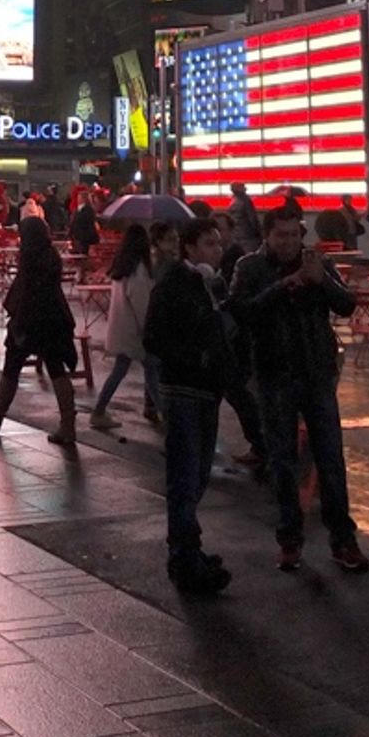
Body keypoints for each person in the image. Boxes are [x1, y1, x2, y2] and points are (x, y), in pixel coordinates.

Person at [230, 204, 369, 575]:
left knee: (330, 459)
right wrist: (283, 286)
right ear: (267, 236)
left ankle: (342, 538)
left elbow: (346, 305)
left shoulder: (316, 263)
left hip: (316, 372)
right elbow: (241, 312)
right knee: (282, 460)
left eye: (295, 235)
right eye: (282, 235)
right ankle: (289, 538)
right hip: (274, 375)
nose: (290, 242)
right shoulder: (250, 267)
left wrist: (320, 280)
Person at [142, 218, 236, 594]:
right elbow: (154, 337)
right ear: (190, 248)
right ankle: (185, 557)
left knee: (196, 476)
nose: (218, 249)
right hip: (183, 390)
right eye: (210, 243)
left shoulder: (208, 284)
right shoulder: (175, 284)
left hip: (206, 390)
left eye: (218, 243)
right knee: (185, 476)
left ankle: (188, 550)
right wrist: (194, 359)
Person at [0, 216, 80, 448]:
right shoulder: (50, 255)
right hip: (53, 319)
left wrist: (19, 322)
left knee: (12, 366)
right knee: (56, 368)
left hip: (30, 320)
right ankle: (68, 425)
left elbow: (27, 292)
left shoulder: (30, 257)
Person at [89, 225, 160, 432]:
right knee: (151, 369)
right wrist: (149, 328)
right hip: (135, 332)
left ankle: (100, 410)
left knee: (127, 370)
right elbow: (141, 304)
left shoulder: (123, 267)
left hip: (123, 329)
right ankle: (164, 411)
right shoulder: (139, 270)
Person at [226, 183, 262, 251]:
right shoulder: (246, 201)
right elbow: (252, 219)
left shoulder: (233, 202)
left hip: (237, 236)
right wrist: (258, 234)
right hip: (248, 237)